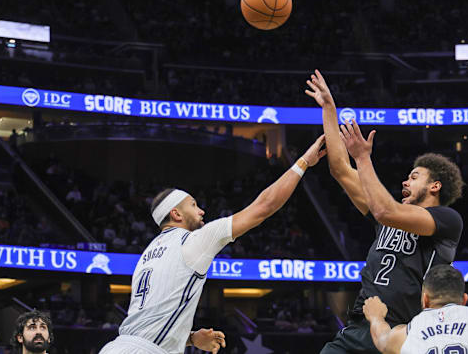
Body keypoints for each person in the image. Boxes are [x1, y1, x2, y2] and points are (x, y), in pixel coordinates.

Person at [99, 136, 327, 354]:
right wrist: (303, 162)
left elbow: (146, 325)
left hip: (117, 347)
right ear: (176, 213)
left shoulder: (147, 254)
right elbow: (263, 207)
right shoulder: (193, 240)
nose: (201, 211)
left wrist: (189, 338)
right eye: (193, 205)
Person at [305, 70, 464, 354]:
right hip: (359, 328)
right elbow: (340, 169)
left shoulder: (447, 221)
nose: (405, 181)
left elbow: (383, 211)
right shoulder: (390, 213)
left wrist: (364, 157)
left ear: (435, 186)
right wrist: (330, 109)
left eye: (414, 177)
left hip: (405, 333)